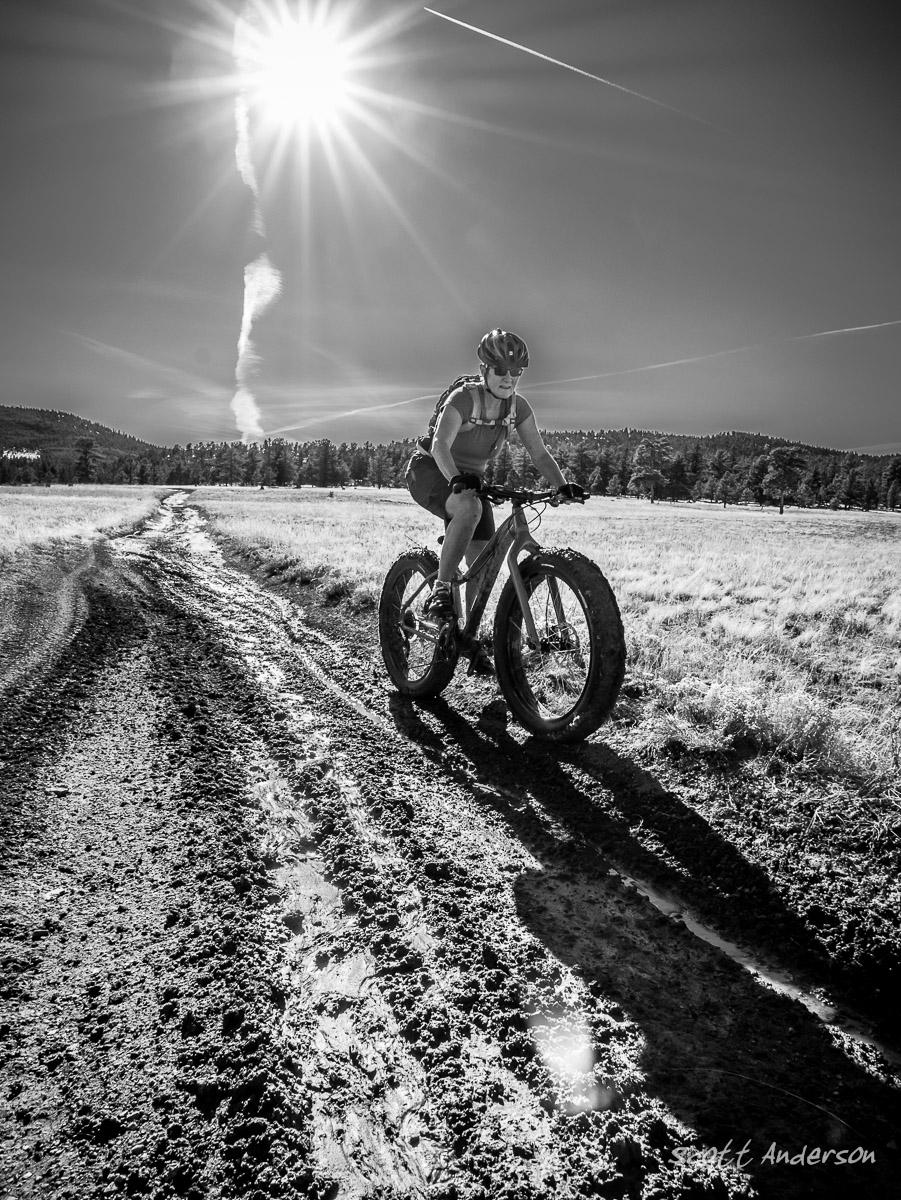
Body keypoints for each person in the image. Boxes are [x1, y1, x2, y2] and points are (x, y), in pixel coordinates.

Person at [405, 328, 586, 671]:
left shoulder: (518, 407)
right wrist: (455, 479)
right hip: (431, 469)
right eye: (500, 369)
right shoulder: (464, 398)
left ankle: (469, 637)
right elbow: (441, 444)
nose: (508, 378)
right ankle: (441, 589)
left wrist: (562, 486)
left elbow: (539, 452)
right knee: (470, 508)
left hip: (471, 481)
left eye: (515, 372)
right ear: (484, 369)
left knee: (482, 564)